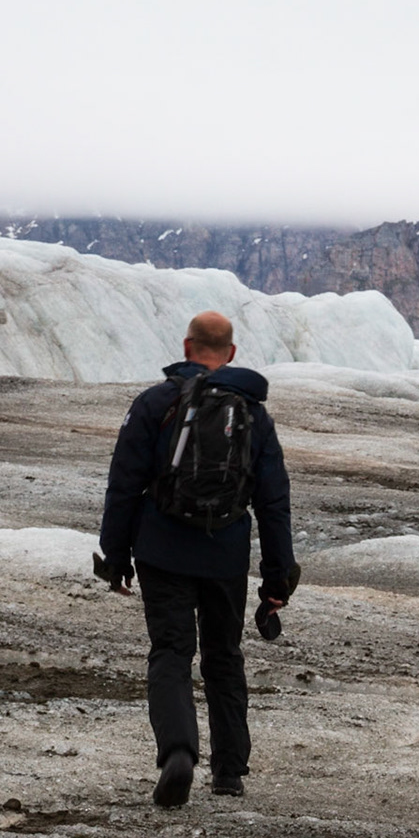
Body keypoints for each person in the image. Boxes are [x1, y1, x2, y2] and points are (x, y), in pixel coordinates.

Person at [96, 310, 297, 807]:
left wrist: (116, 555)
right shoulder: (253, 414)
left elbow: (124, 483)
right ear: (230, 354)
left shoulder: (155, 403)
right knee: (224, 655)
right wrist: (277, 579)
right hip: (225, 554)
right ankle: (229, 772)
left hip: (161, 550)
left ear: (187, 348)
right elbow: (273, 501)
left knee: (171, 651)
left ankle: (179, 754)